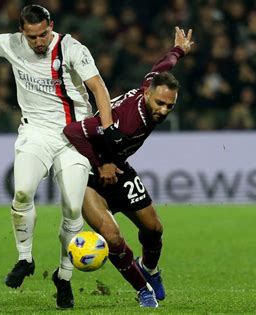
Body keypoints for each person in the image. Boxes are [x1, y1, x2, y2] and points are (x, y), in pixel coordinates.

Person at [0, 5, 120, 309]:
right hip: (35, 133)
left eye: (43, 34)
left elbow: (98, 88)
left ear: (51, 26)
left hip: (74, 137)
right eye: (33, 37)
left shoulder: (71, 48)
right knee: (23, 191)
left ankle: (64, 278)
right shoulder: (12, 44)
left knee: (71, 208)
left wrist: (106, 132)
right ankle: (25, 258)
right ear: (22, 33)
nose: (39, 41)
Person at [63, 27, 194, 308]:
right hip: (87, 173)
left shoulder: (152, 86)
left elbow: (161, 67)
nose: (163, 110)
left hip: (118, 167)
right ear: (147, 94)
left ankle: (150, 270)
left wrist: (179, 50)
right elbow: (72, 131)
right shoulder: (125, 120)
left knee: (154, 229)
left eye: (170, 106)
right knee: (112, 236)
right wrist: (101, 165)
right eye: (160, 103)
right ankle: (143, 289)